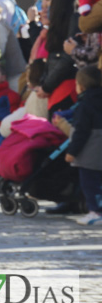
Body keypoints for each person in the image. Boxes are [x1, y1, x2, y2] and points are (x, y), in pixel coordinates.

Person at [60, 65, 102, 225]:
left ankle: (95, 211)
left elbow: (80, 132)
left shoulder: (84, 105)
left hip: (90, 151)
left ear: (81, 86)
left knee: (90, 183)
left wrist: (72, 151)